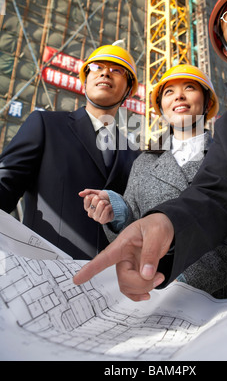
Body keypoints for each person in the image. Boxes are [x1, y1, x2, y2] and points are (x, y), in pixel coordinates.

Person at [74, 0, 227, 302]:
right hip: (201, 297)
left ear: (207, 102)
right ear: (225, 49)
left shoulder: (223, 138)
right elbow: (210, 200)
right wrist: (132, 216)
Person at [79, 64, 227, 296]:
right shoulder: (143, 162)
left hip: (218, 297)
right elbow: (134, 223)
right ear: (161, 107)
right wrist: (116, 211)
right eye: (169, 92)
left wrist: (182, 278)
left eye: (190, 87)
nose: (179, 96)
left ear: (208, 103)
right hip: (152, 291)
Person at [0, 43, 140, 259]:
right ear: (85, 81)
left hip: (111, 284)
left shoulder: (134, 155)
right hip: (46, 272)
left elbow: (139, 221)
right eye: (96, 67)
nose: (105, 72)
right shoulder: (46, 126)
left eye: (117, 70)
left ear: (129, 89)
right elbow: (5, 183)